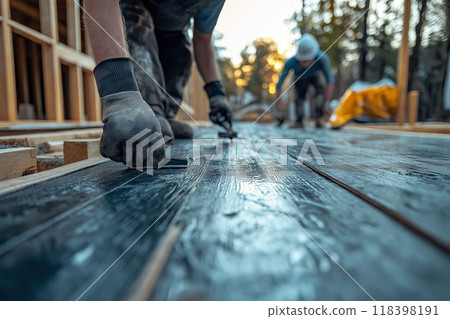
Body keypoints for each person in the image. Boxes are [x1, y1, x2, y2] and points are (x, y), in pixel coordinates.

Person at [84, 0, 232, 166]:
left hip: (172, 33)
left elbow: (203, 41)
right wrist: (120, 94)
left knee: (180, 49)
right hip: (133, 15)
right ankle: (148, 111)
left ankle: (164, 114)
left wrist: (216, 93)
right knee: (137, 20)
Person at [275, 33, 334, 128]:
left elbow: (329, 81)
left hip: (315, 76)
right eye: (302, 60)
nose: (304, 62)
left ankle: (319, 117)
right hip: (299, 77)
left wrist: (327, 102)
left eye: (307, 59)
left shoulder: (322, 59)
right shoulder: (291, 63)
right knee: (299, 96)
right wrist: (278, 110)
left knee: (319, 90)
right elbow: (279, 85)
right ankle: (299, 119)